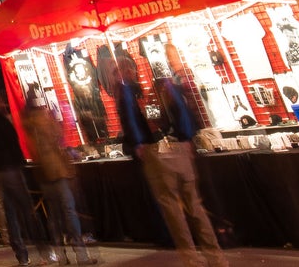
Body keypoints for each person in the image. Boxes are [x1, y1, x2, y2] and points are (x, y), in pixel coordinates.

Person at [107, 54, 226, 267]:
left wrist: (138, 144)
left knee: (173, 211)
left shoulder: (127, 93)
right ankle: (215, 256)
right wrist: (187, 138)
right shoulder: (163, 88)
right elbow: (183, 113)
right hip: (180, 149)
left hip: (156, 153)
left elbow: (130, 122)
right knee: (195, 206)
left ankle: (191, 259)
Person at [0, 88, 42, 266]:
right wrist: (20, 162)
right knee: (26, 209)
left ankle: (21, 254)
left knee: (9, 212)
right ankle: (43, 249)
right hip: (10, 168)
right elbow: (12, 141)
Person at [22, 87, 91, 264]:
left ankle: (61, 254)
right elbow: (58, 137)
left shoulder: (27, 122)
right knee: (69, 210)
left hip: (42, 173)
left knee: (53, 214)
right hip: (57, 171)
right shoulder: (44, 117)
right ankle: (80, 252)